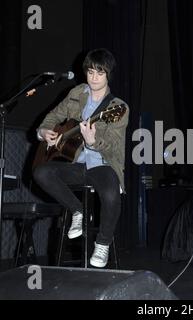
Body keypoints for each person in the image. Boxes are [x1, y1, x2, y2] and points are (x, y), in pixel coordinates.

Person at [33, 48, 129, 268]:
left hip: (103, 164)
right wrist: (44, 131)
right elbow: (53, 115)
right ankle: (78, 210)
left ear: (108, 75)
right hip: (77, 164)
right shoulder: (77, 93)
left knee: (111, 194)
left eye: (100, 73)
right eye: (90, 72)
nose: (94, 77)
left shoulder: (118, 107)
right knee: (41, 172)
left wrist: (93, 141)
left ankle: (103, 243)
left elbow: (114, 144)